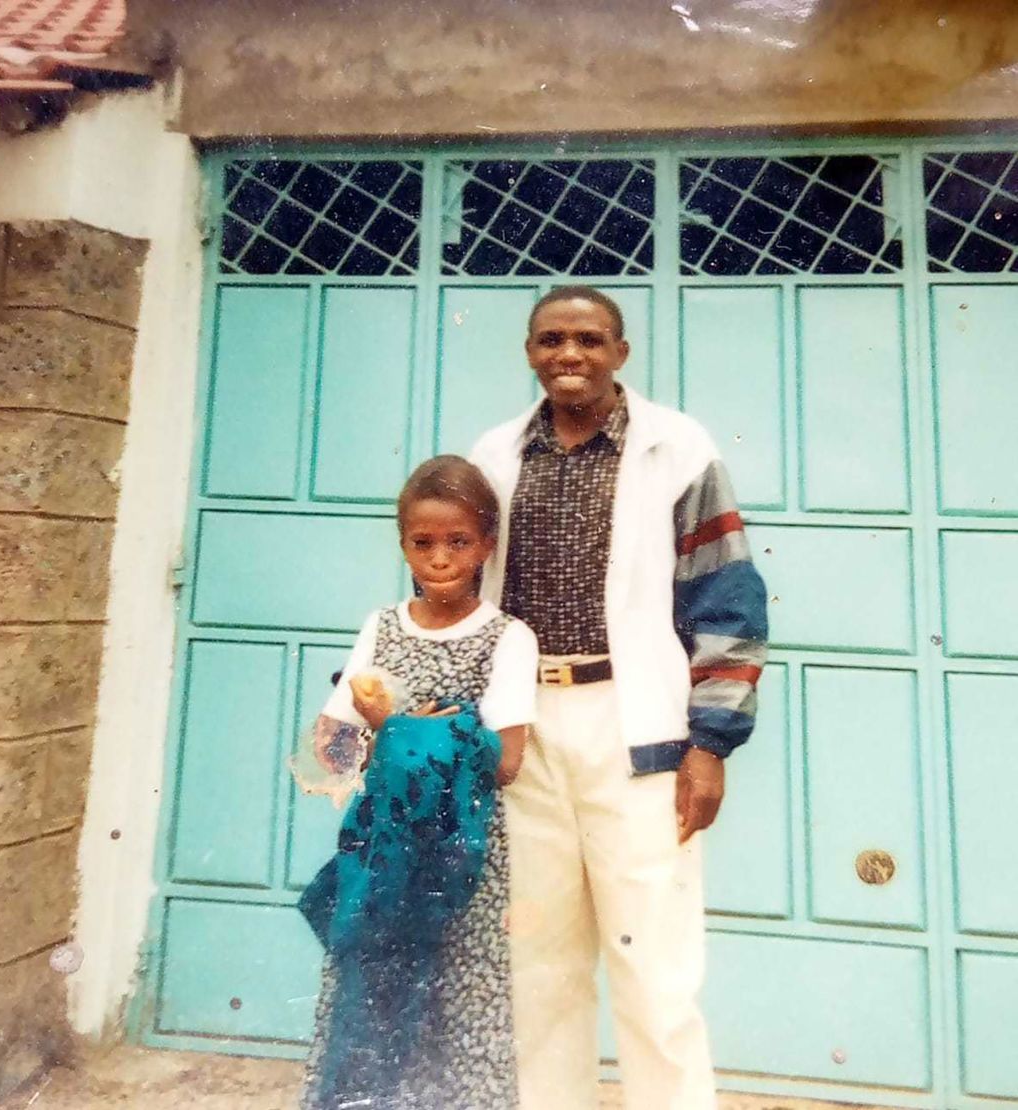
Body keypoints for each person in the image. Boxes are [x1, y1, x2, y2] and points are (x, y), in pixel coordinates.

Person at [470, 285, 769, 1110]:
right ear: (529, 351)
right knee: (536, 967)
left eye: (590, 340)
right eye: (553, 339)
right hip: (523, 735)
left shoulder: (676, 448)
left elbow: (728, 596)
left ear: (620, 353)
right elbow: (460, 594)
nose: (571, 355)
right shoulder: (494, 455)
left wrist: (711, 743)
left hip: (636, 728)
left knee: (656, 971)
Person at [298, 454, 539, 1110]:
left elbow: (507, 759)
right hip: (383, 853)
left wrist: (397, 728)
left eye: (458, 542)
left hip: (461, 856)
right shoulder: (381, 627)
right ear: (403, 544)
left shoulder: (507, 639)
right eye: (423, 543)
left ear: (487, 543)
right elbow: (335, 741)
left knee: (459, 999)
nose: (440, 558)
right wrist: (372, 730)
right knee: (372, 991)